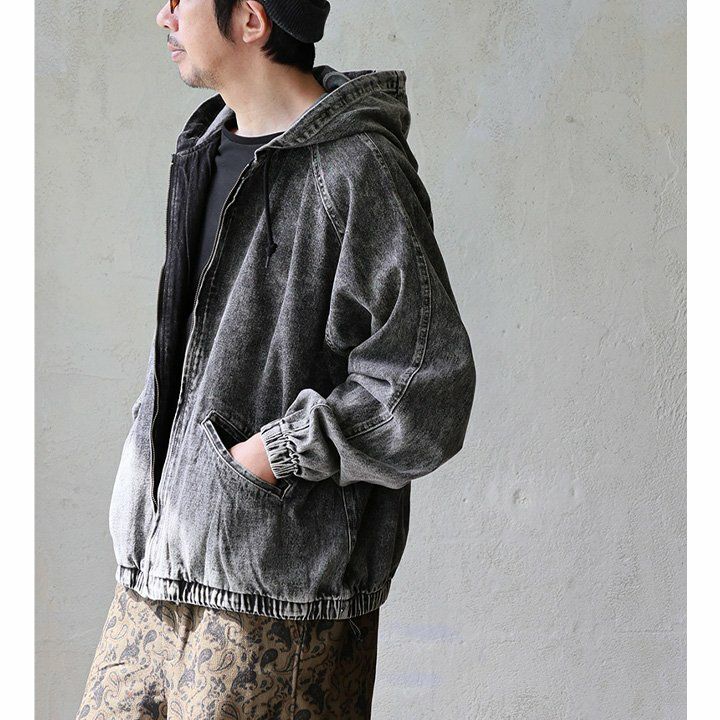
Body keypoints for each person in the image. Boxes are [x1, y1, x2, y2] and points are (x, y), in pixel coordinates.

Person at [75, 0, 477, 717]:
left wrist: (269, 456)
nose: (163, 16)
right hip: (154, 568)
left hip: (275, 601)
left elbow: (423, 390)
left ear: (252, 20)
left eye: (182, 0)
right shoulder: (206, 148)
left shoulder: (356, 170)